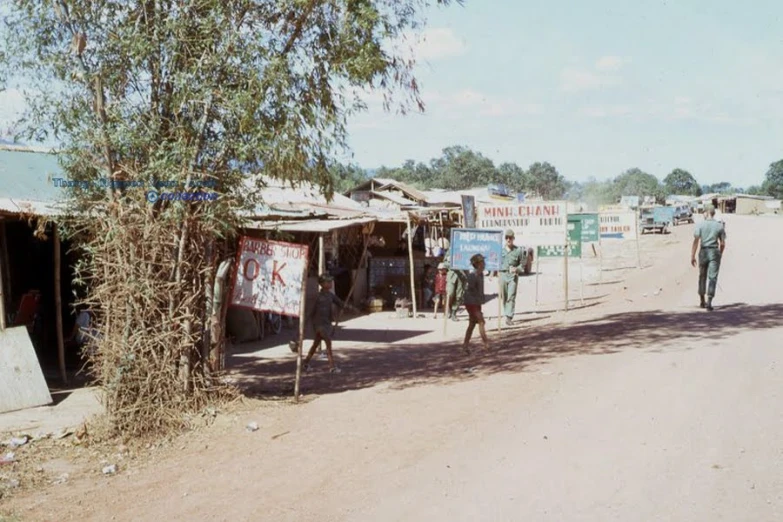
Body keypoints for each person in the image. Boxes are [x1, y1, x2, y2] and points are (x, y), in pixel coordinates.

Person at [303, 274, 352, 373]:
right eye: (328, 282)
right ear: (322, 284)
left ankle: (305, 363)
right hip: (319, 325)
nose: (330, 283)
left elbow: (340, 303)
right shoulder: (318, 297)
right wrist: (305, 324)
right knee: (328, 345)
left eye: (331, 282)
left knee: (315, 345)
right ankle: (332, 366)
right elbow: (310, 312)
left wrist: (351, 308)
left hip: (326, 323)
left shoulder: (330, 295)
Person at [691, 206, 726, 311]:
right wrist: (720, 253)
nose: (703, 214)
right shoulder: (720, 226)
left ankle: (702, 300)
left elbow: (696, 240)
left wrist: (692, 255)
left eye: (704, 212)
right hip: (714, 251)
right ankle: (709, 302)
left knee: (702, 276)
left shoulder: (700, 225)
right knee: (712, 277)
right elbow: (723, 243)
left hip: (703, 252)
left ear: (707, 213)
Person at [461, 253, 491, 354]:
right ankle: (486, 344)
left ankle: (465, 346)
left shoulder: (481, 274)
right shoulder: (473, 275)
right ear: (478, 264)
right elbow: (470, 290)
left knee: (472, 324)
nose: (484, 263)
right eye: (482, 262)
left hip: (476, 302)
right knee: (481, 321)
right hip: (471, 302)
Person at [500, 228, 528, 326]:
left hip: (513, 276)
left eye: (510, 238)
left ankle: (509, 316)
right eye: (507, 238)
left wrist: (517, 269)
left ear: (513, 238)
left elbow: (523, 263)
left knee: (511, 296)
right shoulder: (500, 250)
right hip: (503, 275)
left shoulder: (518, 251)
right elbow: (494, 262)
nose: (508, 240)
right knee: (504, 296)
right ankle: (506, 312)